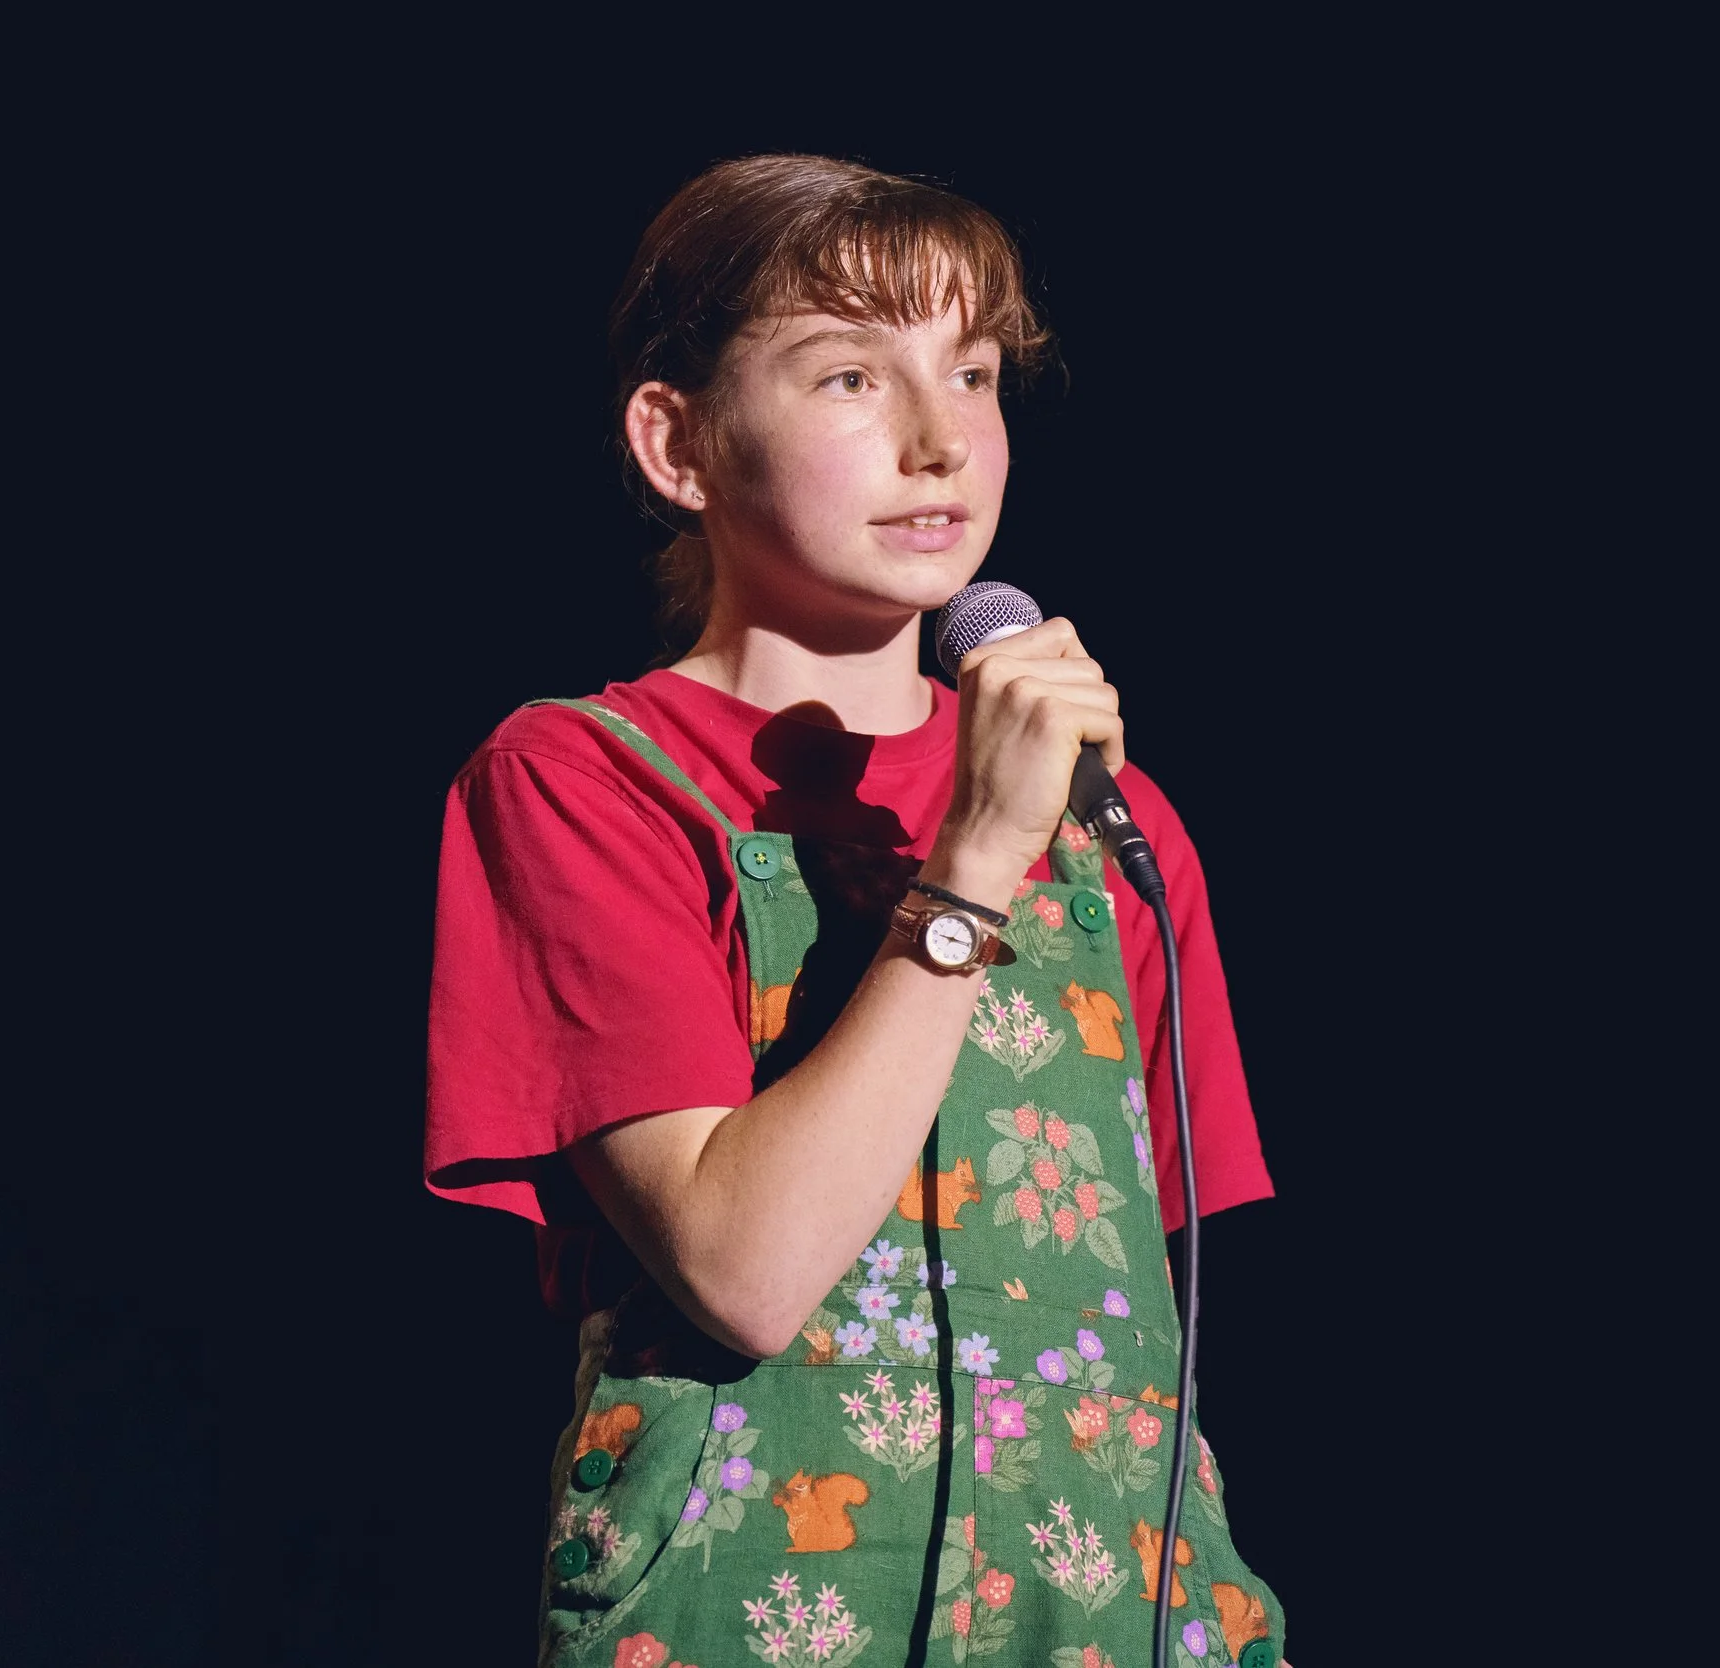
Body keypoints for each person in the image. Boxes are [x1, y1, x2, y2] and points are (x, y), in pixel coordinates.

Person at [425, 154, 1291, 1668]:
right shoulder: (583, 780)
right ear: (677, 442)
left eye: (973, 373)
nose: (940, 440)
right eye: (849, 376)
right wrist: (975, 858)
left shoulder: (1117, 821)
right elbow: (744, 1270)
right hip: (754, 1615)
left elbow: (1132, 1317)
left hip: (1110, 1623)